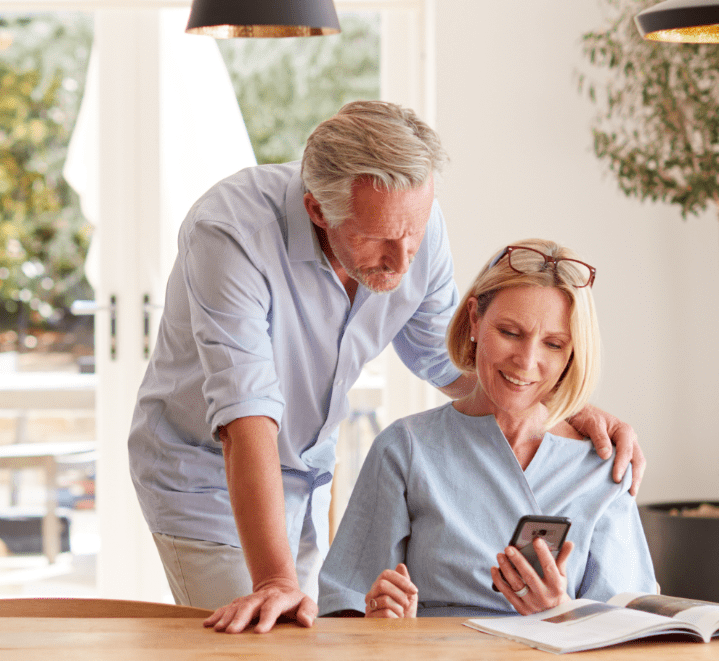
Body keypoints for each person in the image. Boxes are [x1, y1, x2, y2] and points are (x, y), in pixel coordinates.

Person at [129, 101, 645, 633]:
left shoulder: (410, 221)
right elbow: (246, 414)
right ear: (317, 211)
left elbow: (444, 355)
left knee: (298, 658)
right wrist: (275, 582)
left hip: (303, 475)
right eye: (377, 239)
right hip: (209, 475)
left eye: (413, 234)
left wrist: (557, 407)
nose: (403, 263)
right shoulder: (232, 235)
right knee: (256, 651)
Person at [318, 238, 658, 620]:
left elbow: (631, 630)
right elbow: (343, 604)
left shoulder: (601, 465)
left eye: (553, 343)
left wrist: (559, 613)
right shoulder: (406, 448)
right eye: (510, 332)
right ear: (475, 319)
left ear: (573, 353)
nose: (527, 361)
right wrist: (381, 622)